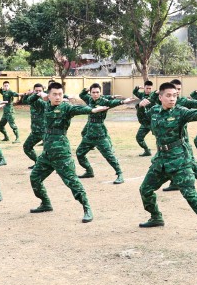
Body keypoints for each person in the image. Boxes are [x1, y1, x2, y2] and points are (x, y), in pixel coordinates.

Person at [137, 82, 197, 241]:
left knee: (190, 195)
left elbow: (195, 113)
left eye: (175, 96)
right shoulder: (154, 111)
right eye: (168, 96)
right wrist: (140, 108)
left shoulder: (180, 112)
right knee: (145, 190)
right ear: (160, 97)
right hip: (161, 160)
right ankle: (156, 217)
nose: (172, 99)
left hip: (179, 161)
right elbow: (144, 121)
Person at [29, 82, 111, 223]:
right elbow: (28, 100)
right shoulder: (46, 105)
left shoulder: (66, 107)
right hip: (47, 154)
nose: (58, 97)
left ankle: (87, 209)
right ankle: (46, 203)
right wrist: (39, 94)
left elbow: (78, 109)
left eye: (60, 94)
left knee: (72, 182)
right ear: (49, 95)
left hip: (61, 154)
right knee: (34, 178)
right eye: (54, 94)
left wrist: (92, 110)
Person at [76, 83, 135, 184]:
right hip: (89, 134)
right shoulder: (89, 99)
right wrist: (84, 90)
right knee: (79, 153)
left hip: (100, 135)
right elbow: (81, 95)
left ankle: (120, 174)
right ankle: (89, 171)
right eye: (93, 92)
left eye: (97, 92)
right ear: (90, 93)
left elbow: (113, 103)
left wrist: (123, 101)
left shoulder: (104, 101)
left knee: (109, 156)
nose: (95, 94)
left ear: (100, 93)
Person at [20, 83, 47, 168]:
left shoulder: (44, 100)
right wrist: (26, 94)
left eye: (40, 91)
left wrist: (39, 96)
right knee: (27, 147)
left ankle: (57, 166)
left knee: (50, 150)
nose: (38, 92)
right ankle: (38, 162)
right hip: (35, 131)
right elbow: (25, 101)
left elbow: (44, 104)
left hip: (45, 131)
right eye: (36, 91)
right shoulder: (33, 99)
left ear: (43, 91)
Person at [132, 80, 157, 156]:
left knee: (161, 137)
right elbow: (135, 92)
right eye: (147, 88)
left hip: (154, 121)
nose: (148, 90)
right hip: (145, 122)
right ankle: (147, 151)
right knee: (139, 138)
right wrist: (138, 87)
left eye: (150, 88)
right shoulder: (142, 95)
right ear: (144, 88)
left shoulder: (154, 95)